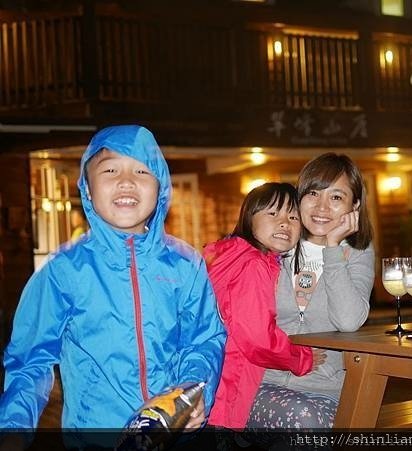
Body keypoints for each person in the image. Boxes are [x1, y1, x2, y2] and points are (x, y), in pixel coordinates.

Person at [0, 125, 226, 448]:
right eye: (109, 169)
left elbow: (204, 339)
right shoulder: (63, 270)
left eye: (141, 170)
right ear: (88, 189)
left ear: (160, 188)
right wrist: (13, 428)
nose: (126, 181)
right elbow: (30, 359)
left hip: (171, 436)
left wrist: (195, 386)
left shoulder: (186, 264)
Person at [248, 153, 375, 429]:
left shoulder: (357, 253)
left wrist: (333, 249)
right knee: (306, 424)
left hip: (328, 392)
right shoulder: (275, 245)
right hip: (261, 385)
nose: (321, 207)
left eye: (337, 198)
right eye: (313, 193)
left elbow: (349, 320)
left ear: (354, 205)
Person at [204, 182, 324, 431]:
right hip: (227, 391)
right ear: (249, 217)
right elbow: (257, 338)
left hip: (208, 383)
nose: (285, 222)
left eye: (293, 216)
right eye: (273, 213)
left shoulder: (229, 254)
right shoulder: (253, 265)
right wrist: (302, 358)